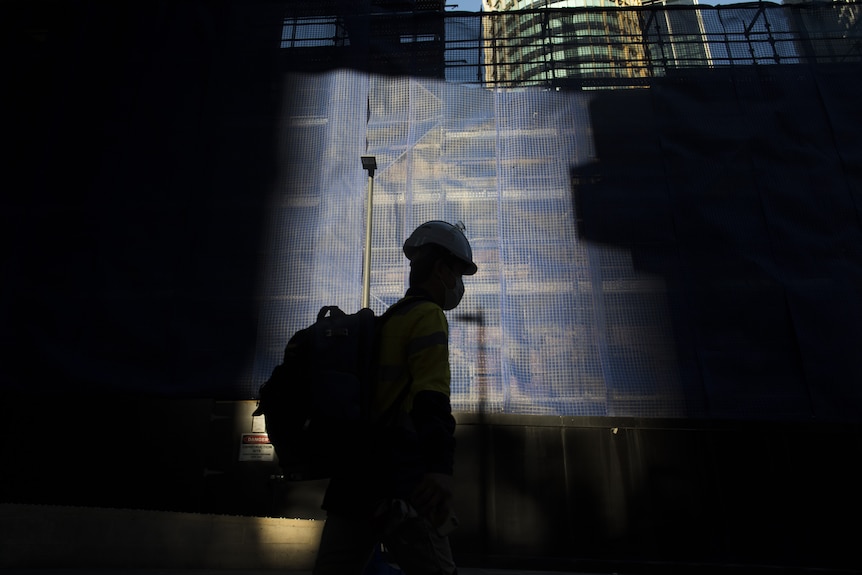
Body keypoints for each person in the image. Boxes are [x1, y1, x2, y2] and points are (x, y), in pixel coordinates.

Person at [312, 220, 478, 575]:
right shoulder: (427, 316)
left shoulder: (387, 321)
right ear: (441, 269)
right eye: (459, 273)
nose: (459, 284)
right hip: (401, 481)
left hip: (354, 480)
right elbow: (431, 398)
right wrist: (439, 468)